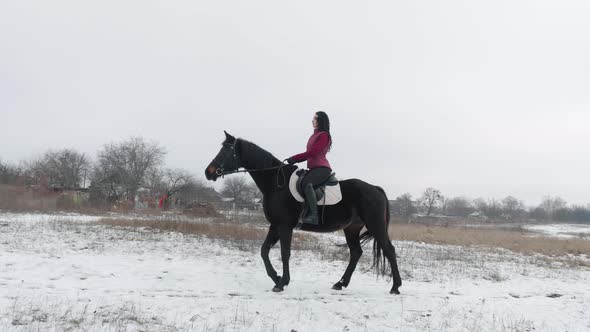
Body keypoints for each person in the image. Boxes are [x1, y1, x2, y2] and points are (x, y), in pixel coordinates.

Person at [286, 111, 332, 225]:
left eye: (315, 118)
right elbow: (309, 153)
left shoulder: (324, 135)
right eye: (313, 118)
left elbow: (313, 152)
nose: (313, 120)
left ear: (321, 120)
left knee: (307, 184)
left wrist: (295, 158)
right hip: (313, 169)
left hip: (322, 169)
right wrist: (293, 160)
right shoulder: (314, 135)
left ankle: (314, 216)